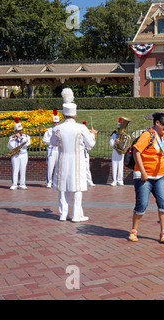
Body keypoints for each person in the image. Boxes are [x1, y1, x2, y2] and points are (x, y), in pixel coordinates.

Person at [129, 84, 164, 244]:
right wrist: (143, 172)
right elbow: (136, 152)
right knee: (142, 204)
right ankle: (134, 230)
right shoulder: (147, 135)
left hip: (161, 175)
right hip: (144, 176)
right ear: (157, 123)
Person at [51, 88, 97, 222]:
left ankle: (63, 214)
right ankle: (76, 215)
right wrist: (93, 135)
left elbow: (53, 143)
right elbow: (91, 145)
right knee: (77, 188)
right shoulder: (81, 128)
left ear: (63, 115)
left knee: (63, 188)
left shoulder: (57, 128)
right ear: (75, 114)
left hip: (63, 159)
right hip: (77, 160)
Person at [8, 117, 31, 190]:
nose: (20, 131)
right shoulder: (12, 137)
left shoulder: (26, 136)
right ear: (15, 131)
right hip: (15, 155)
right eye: (18, 130)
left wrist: (20, 138)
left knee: (23, 169)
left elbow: (27, 144)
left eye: (21, 130)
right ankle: (14, 184)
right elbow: (10, 146)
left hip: (23, 155)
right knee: (15, 169)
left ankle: (22, 184)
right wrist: (12, 140)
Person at [43, 110, 60, 188]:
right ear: (52, 123)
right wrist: (52, 142)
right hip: (51, 150)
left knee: (58, 167)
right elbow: (44, 140)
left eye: (57, 122)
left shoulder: (61, 130)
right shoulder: (49, 131)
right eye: (55, 122)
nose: (56, 124)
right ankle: (49, 182)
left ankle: (56, 181)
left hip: (59, 150)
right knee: (50, 167)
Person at [109, 118, 125, 186]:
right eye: (119, 128)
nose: (119, 130)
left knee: (120, 166)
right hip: (115, 151)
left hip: (121, 151)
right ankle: (114, 180)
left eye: (121, 129)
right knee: (114, 165)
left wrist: (120, 143)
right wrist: (115, 141)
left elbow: (125, 144)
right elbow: (111, 144)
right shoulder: (114, 135)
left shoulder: (124, 136)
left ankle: (120, 180)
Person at [82, 121, 95, 187]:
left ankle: (89, 181)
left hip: (85, 153)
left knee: (87, 168)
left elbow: (90, 145)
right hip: (79, 153)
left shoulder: (87, 135)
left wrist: (92, 135)